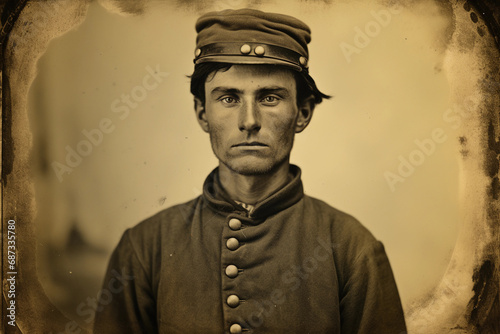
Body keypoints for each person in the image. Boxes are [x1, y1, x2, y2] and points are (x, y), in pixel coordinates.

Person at [94, 8, 407, 334]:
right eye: (229, 98)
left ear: (302, 112)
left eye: (269, 97)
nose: (249, 121)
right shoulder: (145, 248)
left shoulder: (353, 250)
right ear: (202, 114)